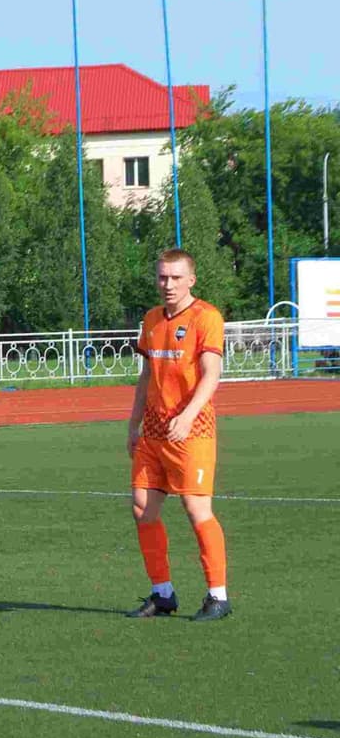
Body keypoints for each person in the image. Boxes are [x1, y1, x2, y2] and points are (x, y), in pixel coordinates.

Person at [125, 249, 231, 622]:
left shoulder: (207, 317)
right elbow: (146, 377)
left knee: (196, 509)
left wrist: (188, 415)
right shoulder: (152, 320)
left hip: (192, 430)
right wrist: (133, 423)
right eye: (162, 277)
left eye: (174, 277)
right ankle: (163, 593)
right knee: (142, 507)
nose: (167, 284)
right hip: (153, 431)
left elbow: (211, 375)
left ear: (191, 279)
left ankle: (218, 596)